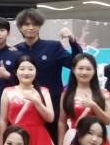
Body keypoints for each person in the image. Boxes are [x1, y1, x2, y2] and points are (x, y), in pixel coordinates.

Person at [13, 8, 81, 136]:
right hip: (25, 102)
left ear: (40, 26)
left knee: (56, 137)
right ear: (20, 27)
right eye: (26, 24)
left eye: (34, 24)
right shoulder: (16, 50)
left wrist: (72, 41)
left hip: (53, 101)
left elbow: (75, 63)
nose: (30, 27)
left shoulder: (53, 47)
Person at [58, 53, 110, 145]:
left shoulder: (103, 94)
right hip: (74, 141)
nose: (84, 72)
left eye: (88, 69)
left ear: (94, 71)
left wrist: (94, 106)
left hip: (97, 142)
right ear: (73, 70)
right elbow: (62, 122)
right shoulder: (66, 94)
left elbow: (108, 121)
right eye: (80, 68)